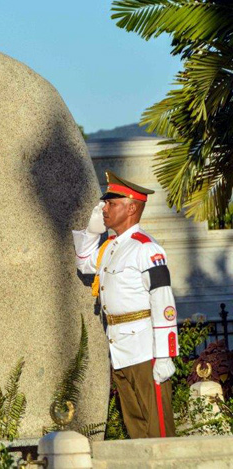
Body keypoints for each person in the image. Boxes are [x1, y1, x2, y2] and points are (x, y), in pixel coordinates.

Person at [72, 171, 179, 438]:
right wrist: (91, 231)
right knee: (136, 430)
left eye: (111, 203)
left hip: (145, 350)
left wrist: (165, 354)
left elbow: (163, 301)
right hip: (120, 348)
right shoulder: (110, 246)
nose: (104, 209)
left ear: (132, 207)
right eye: (104, 204)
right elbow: (84, 263)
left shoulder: (146, 248)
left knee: (158, 431)